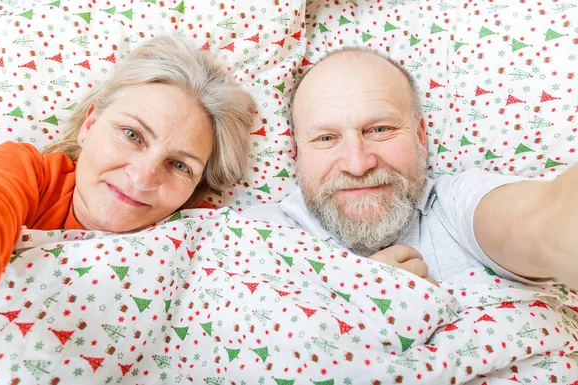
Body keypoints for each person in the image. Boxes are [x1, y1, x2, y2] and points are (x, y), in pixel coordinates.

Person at [243, 47, 578, 289]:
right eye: (326, 138)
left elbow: (542, 221)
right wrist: (354, 295)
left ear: (420, 136)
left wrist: (556, 229)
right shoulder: (259, 236)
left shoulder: (456, 205)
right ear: (297, 153)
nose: (358, 164)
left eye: (380, 129)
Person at [0, 35, 257, 307]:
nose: (143, 177)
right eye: (133, 135)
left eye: (180, 166)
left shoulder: (207, 234)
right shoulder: (24, 171)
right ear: (89, 127)